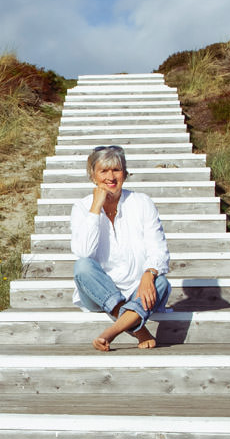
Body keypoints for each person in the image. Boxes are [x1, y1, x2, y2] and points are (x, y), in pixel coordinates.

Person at [70, 145, 171, 351]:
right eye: (103, 171)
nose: (111, 177)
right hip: (97, 292)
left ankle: (111, 332)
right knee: (82, 267)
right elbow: (83, 253)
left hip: (137, 290)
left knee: (161, 282)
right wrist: (95, 209)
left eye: (116, 169)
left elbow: (158, 247)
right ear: (93, 176)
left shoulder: (142, 202)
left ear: (125, 173)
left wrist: (148, 274)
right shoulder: (82, 207)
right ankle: (138, 329)